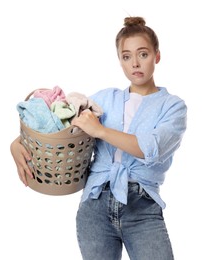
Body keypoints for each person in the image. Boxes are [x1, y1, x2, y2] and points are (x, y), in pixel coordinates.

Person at [10, 16, 187, 260]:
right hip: (95, 202)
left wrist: (100, 131)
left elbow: (151, 148)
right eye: (126, 56)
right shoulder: (104, 99)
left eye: (143, 54)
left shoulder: (173, 107)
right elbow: (62, 128)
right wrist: (16, 144)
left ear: (157, 55)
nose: (135, 63)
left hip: (142, 206)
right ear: (120, 62)